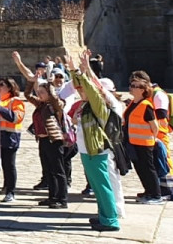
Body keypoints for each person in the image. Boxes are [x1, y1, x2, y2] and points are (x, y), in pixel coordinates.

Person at [65, 51, 126, 233]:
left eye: (82, 90)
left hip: (98, 151)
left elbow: (91, 89)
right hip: (87, 150)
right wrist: (72, 70)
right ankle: (103, 215)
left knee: (103, 186)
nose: (80, 92)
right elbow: (82, 87)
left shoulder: (99, 107)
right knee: (98, 188)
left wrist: (81, 70)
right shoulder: (85, 106)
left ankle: (110, 220)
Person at [131, 70, 173, 201]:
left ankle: (167, 191)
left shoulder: (158, 94)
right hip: (149, 135)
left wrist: (156, 133)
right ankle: (154, 189)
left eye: (135, 84)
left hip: (159, 134)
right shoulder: (150, 95)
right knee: (153, 164)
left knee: (164, 162)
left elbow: (161, 117)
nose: (132, 87)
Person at [125, 75, 165, 204]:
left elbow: (155, 126)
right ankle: (148, 191)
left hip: (145, 143)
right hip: (134, 142)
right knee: (140, 168)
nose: (131, 88)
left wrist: (152, 138)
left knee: (148, 168)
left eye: (135, 86)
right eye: (131, 85)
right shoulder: (133, 103)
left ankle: (156, 194)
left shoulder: (146, 105)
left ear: (142, 90)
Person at [31, 81, 69, 208]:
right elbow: (27, 95)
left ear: (49, 93)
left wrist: (50, 88)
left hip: (54, 140)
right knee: (48, 170)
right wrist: (32, 81)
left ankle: (62, 199)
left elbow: (56, 101)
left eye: (42, 92)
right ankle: (52, 197)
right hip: (42, 140)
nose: (39, 94)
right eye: (38, 92)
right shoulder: (41, 105)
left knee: (58, 170)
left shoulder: (55, 104)